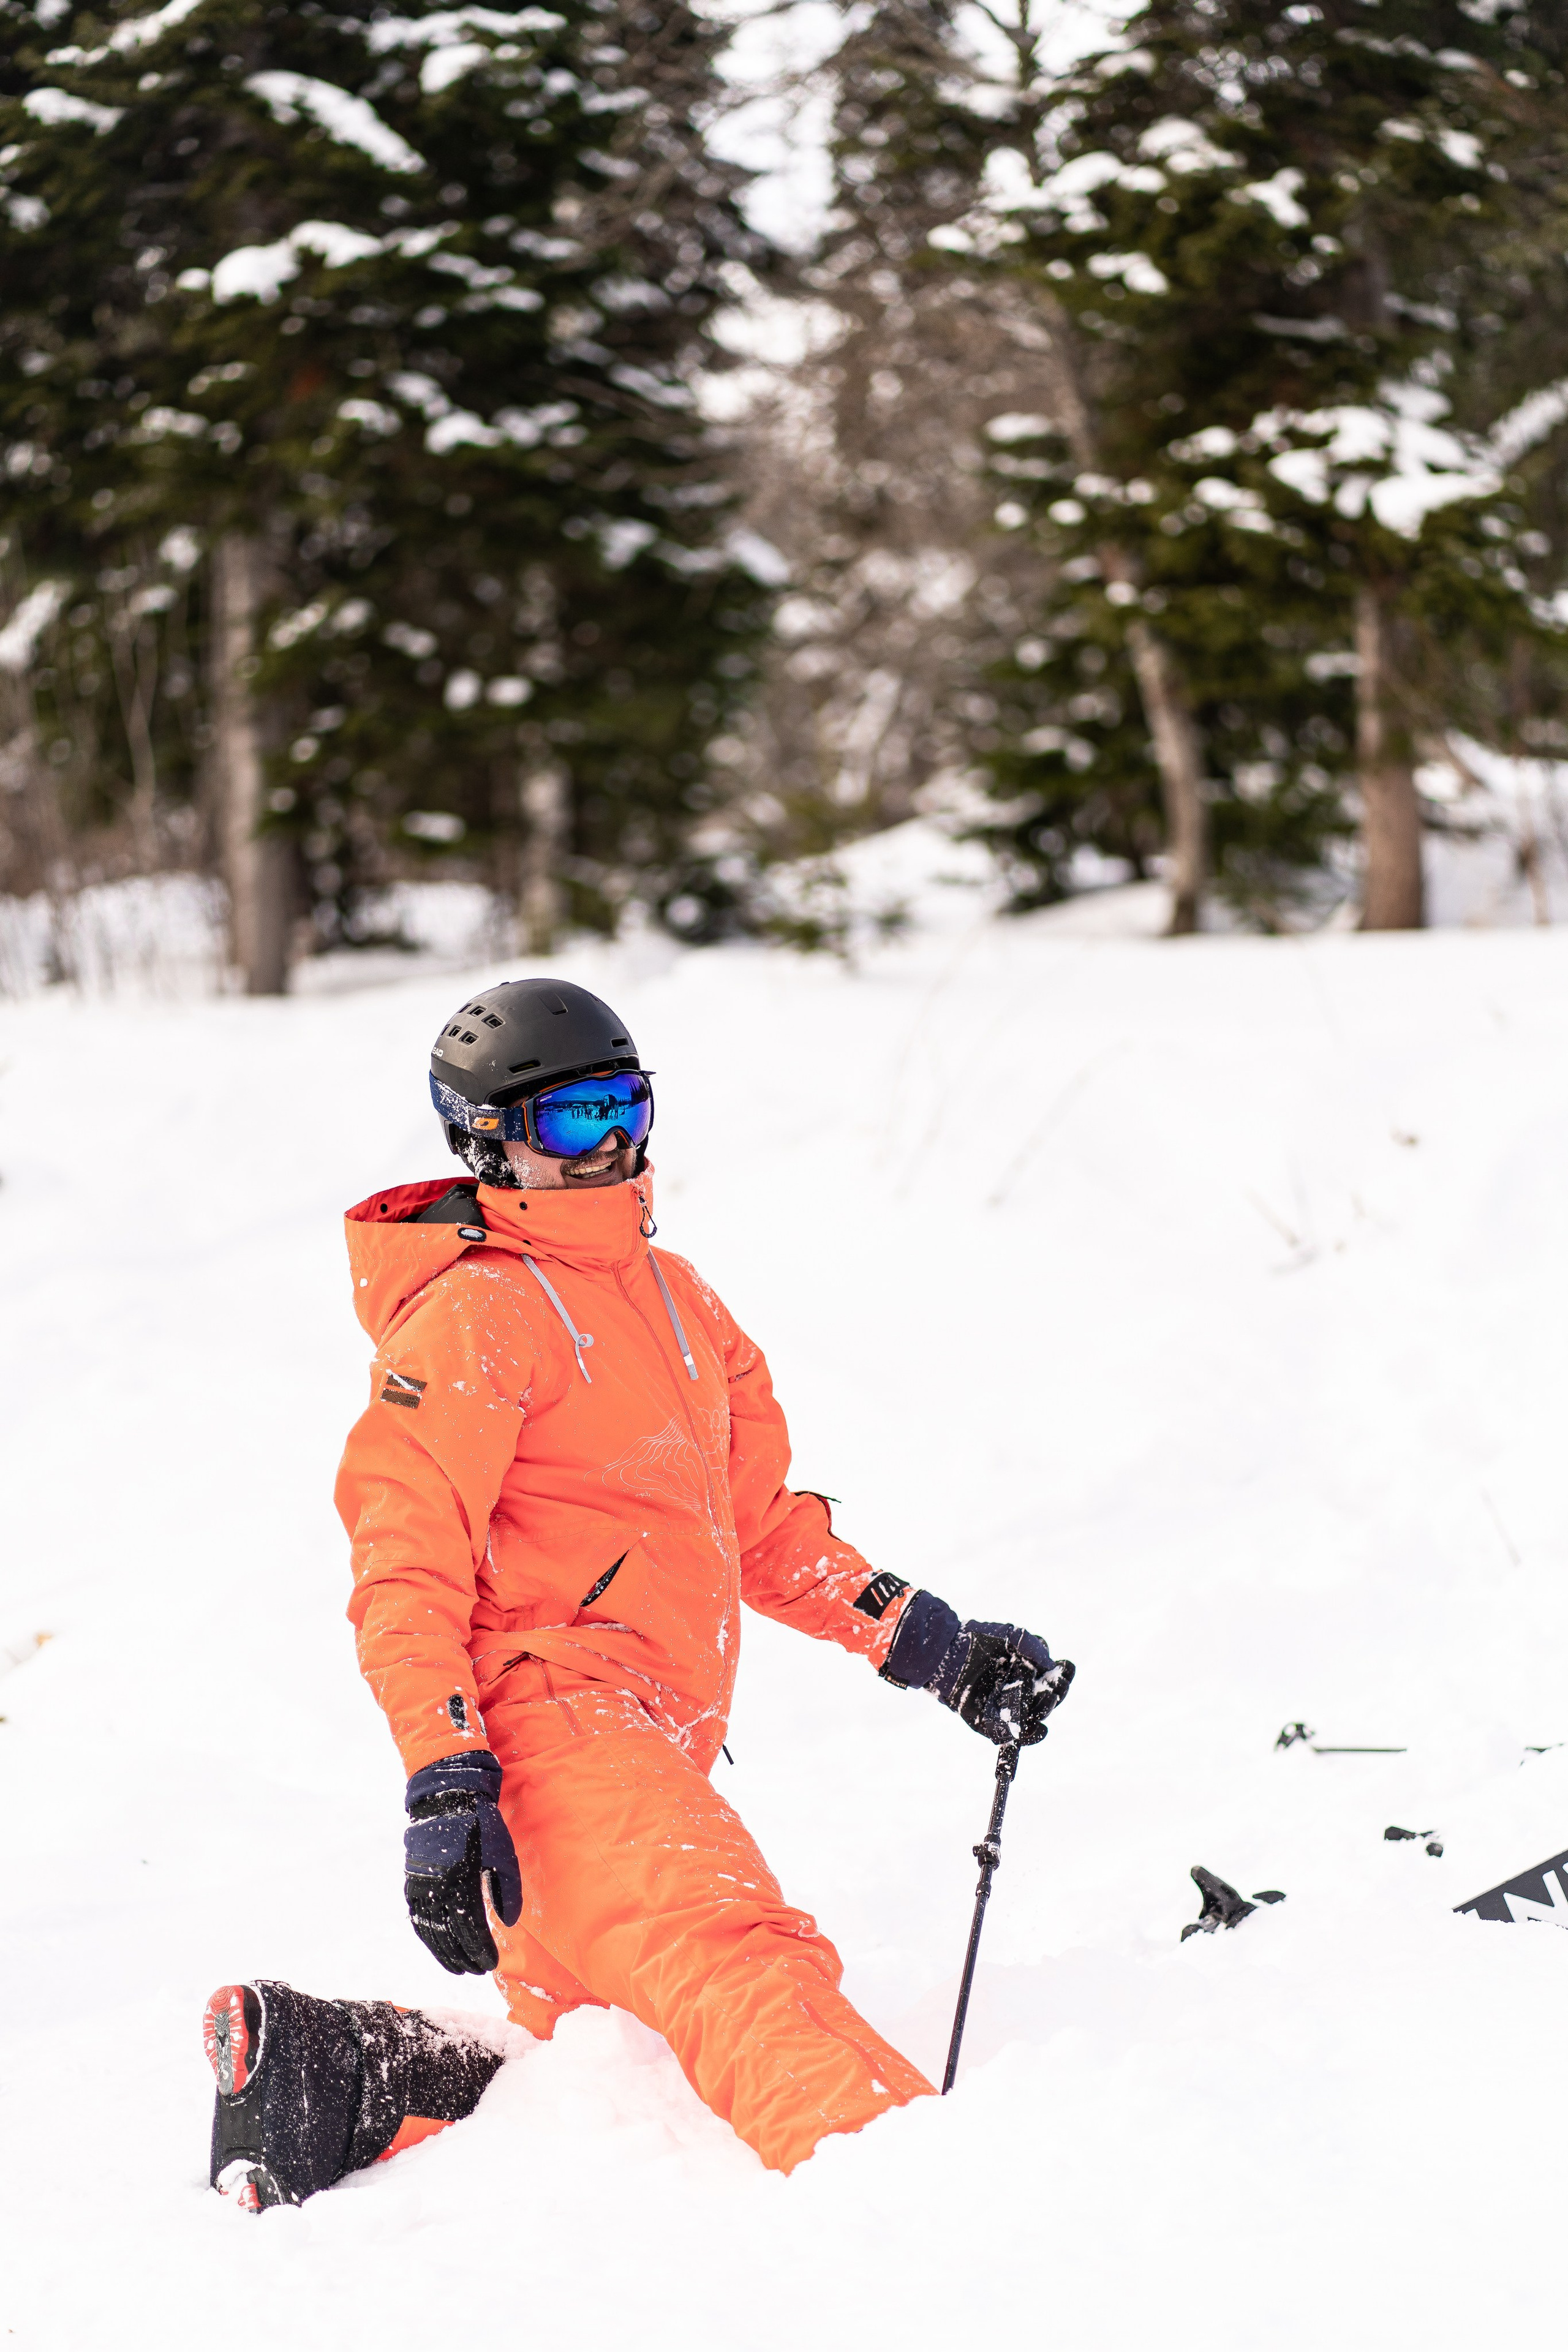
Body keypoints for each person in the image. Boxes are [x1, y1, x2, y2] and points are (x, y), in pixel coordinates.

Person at [205, 979, 1074, 2209]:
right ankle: (929, 2205)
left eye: (625, 1105)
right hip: (558, 1739)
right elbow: (404, 1572)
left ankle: (338, 2082)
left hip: (652, 1746)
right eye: (567, 1121)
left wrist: (936, 1646)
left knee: (608, 2072)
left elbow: (758, 1528)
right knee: (738, 1964)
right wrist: (444, 1781)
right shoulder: (472, 1318)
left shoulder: (680, 1300)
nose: (608, 1141)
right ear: (487, 1138)